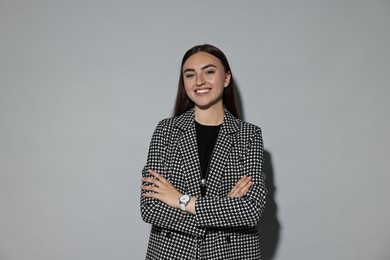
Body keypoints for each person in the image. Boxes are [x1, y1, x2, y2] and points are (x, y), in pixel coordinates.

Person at [140, 44, 267, 259]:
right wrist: (224, 207)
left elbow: (250, 210)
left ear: (226, 78)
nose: (199, 81)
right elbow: (150, 208)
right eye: (190, 75)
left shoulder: (249, 135)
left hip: (231, 254)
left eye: (209, 72)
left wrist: (181, 200)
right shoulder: (166, 131)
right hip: (173, 254)